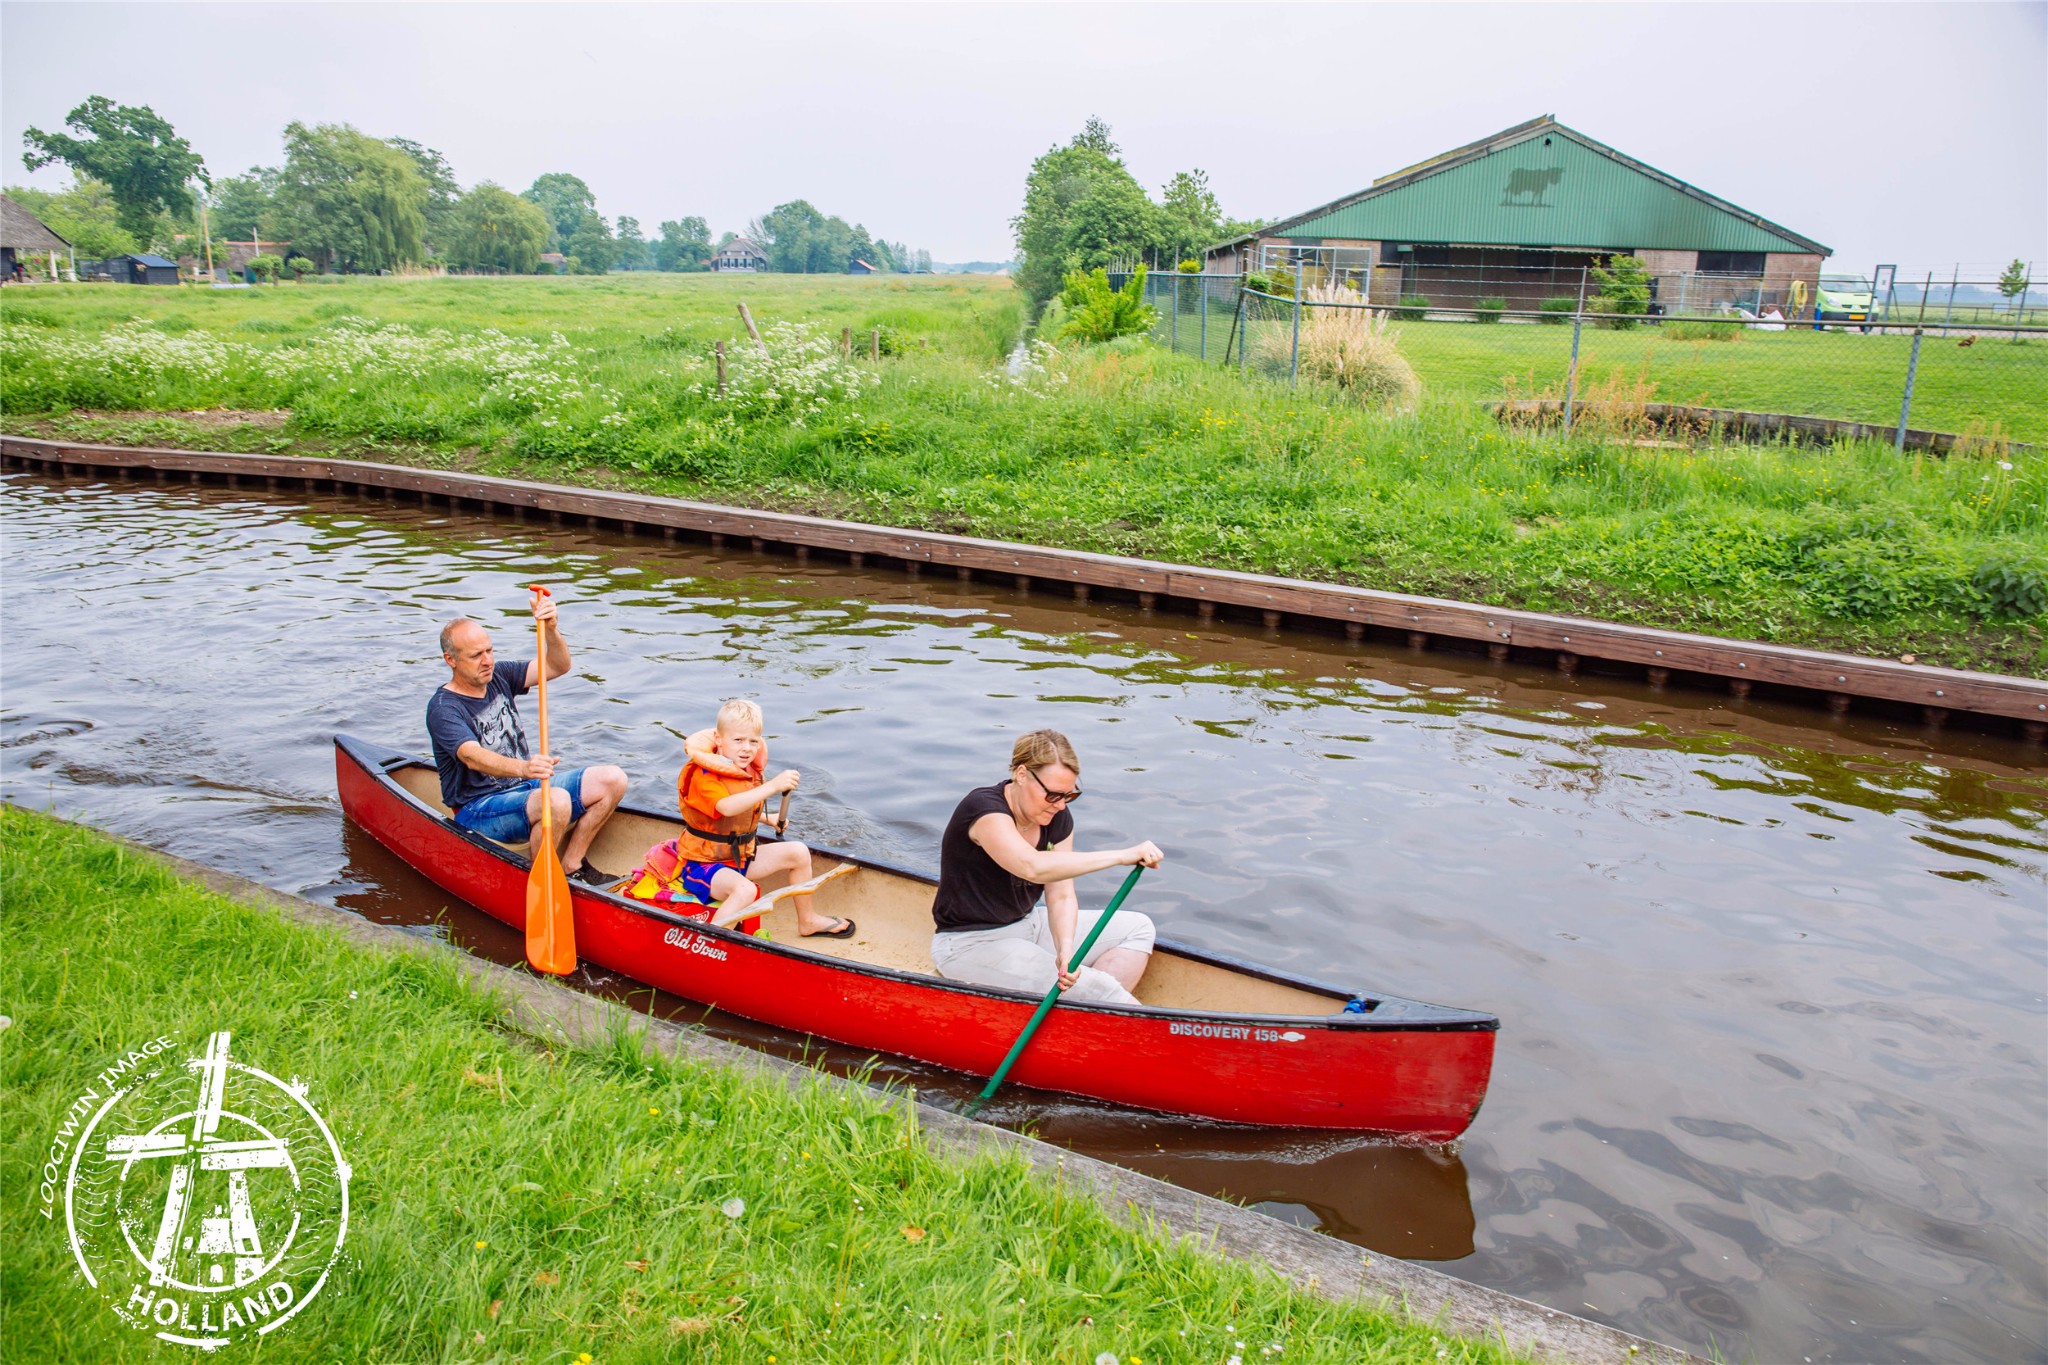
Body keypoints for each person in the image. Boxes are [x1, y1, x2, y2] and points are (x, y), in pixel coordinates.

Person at [929, 729, 1162, 1004]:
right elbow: (1032, 867)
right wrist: (1121, 856)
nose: (1061, 805)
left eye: (1068, 796)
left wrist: (1065, 950)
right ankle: (1099, 1006)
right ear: (1022, 774)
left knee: (1138, 928)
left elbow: (1061, 894)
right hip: (970, 945)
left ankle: (1080, 1016)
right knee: (1100, 989)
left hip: (1029, 925)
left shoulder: (1056, 817)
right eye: (1052, 795)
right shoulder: (984, 810)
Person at [427, 592, 628, 885]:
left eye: (489, 650)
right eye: (476, 656)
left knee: (613, 779)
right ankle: (540, 880)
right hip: (478, 808)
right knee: (555, 802)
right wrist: (523, 767)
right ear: (451, 660)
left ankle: (572, 865)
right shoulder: (444, 708)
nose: (487, 661)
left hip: (524, 788)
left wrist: (550, 628)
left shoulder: (498, 675)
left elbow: (558, 666)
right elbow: (471, 755)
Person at [671, 698, 854, 938]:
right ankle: (709, 940)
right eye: (738, 740)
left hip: (739, 858)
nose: (746, 748)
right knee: (746, 891)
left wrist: (769, 818)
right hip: (703, 865)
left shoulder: (745, 771)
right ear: (719, 740)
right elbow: (726, 807)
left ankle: (808, 921)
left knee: (798, 852)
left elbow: (742, 811)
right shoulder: (703, 775)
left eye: (753, 741)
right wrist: (774, 786)